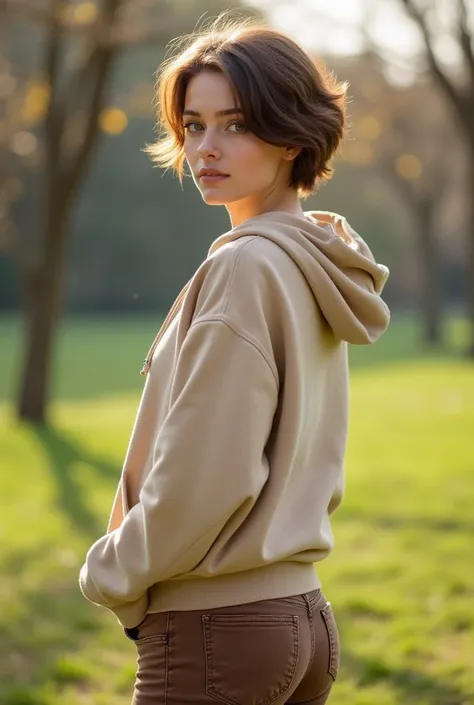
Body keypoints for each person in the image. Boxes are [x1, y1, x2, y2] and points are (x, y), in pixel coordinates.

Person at [79, 13, 390, 705]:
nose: (206, 148)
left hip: (216, 627)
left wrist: (108, 572)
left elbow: (202, 481)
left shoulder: (247, 267)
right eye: (194, 125)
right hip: (300, 617)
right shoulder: (309, 261)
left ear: (291, 136)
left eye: (237, 124)